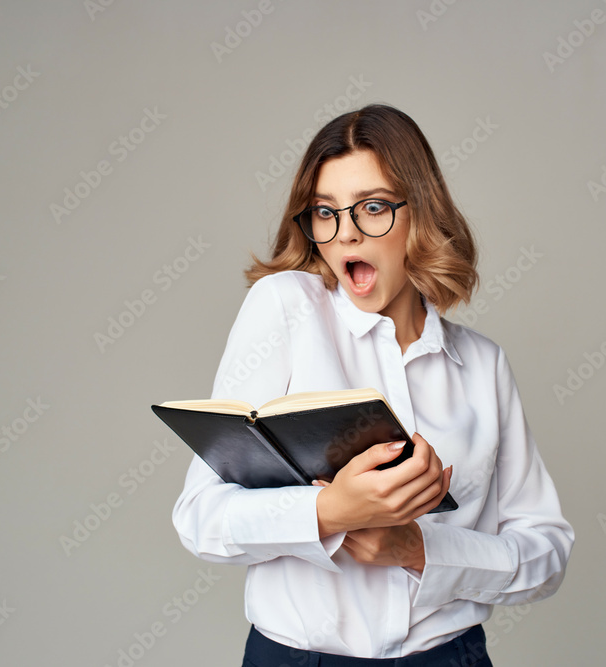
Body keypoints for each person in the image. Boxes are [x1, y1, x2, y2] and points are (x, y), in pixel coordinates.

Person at [172, 104, 574, 666]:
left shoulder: (482, 364)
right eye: (326, 212)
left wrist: (422, 551)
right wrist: (330, 512)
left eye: (374, 208)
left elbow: (547, 555)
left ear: (421, 214)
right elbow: (200, 518)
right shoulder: (286, 309)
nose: (347, 235)